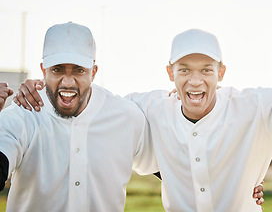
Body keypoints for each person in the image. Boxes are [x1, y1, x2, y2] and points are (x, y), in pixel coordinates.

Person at [14, 9, 272, 211]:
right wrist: (38, 92)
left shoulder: (256, 106)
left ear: (221, 73)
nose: (195, 81)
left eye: (206, 70)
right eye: (185, 70)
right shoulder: (145, 109)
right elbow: (88, 109)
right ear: (169, 73)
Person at [0, 22, 158, 211]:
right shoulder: (22, 114)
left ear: (94, 72)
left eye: (79, 70)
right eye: (57, 69)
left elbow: (173, 167)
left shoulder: (126, 116)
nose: (68, 82)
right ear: (44, 71)